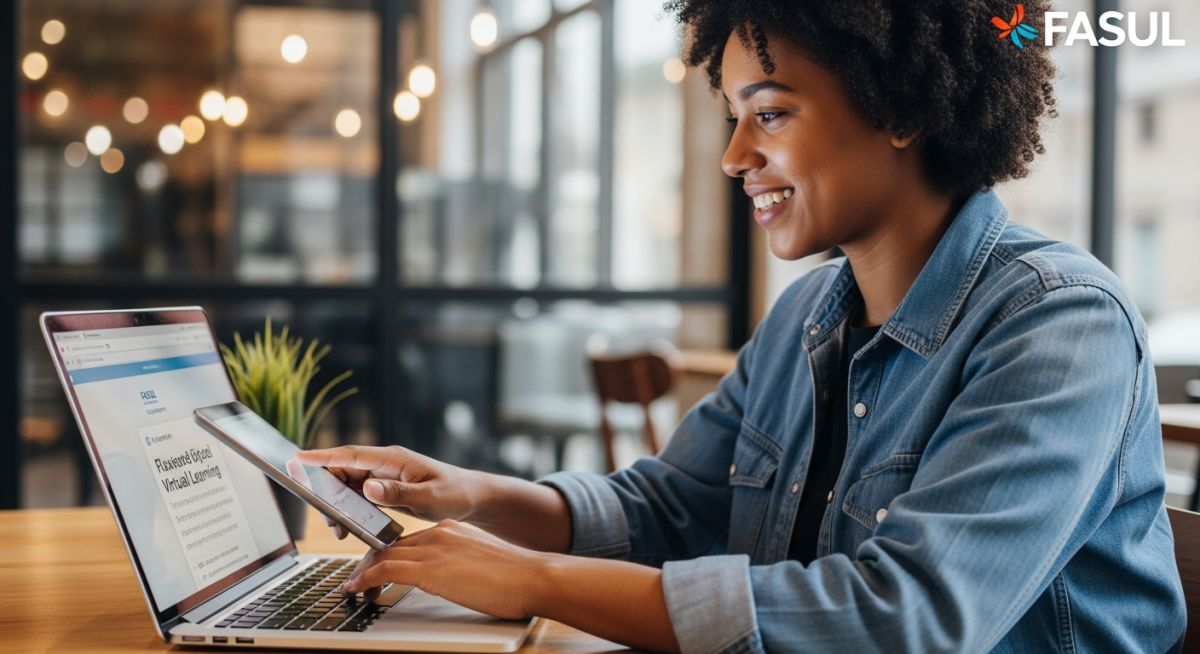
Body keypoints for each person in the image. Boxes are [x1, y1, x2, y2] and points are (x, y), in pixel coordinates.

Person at [296, 1, 1186, 651]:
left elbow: (903, 621)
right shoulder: (807, 314)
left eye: (770, 113)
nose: (733, 157)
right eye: (733, 118)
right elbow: (672, 508)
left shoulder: (1058, 325)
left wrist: (529, 579)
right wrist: (473, 495)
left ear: (904, 109)